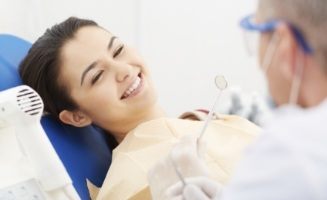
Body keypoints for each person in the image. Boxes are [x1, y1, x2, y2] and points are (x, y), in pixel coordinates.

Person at [19, 17, 261, 199]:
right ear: (77, 116)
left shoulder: (207, 119)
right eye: (98, 75)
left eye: (118, 50)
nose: (124, 70)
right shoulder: (128, 185)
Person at [148, 0, 327, 199]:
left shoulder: (291, 150)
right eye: (103, 73)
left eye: (256, 34)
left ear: (284, 43)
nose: (260, 64)